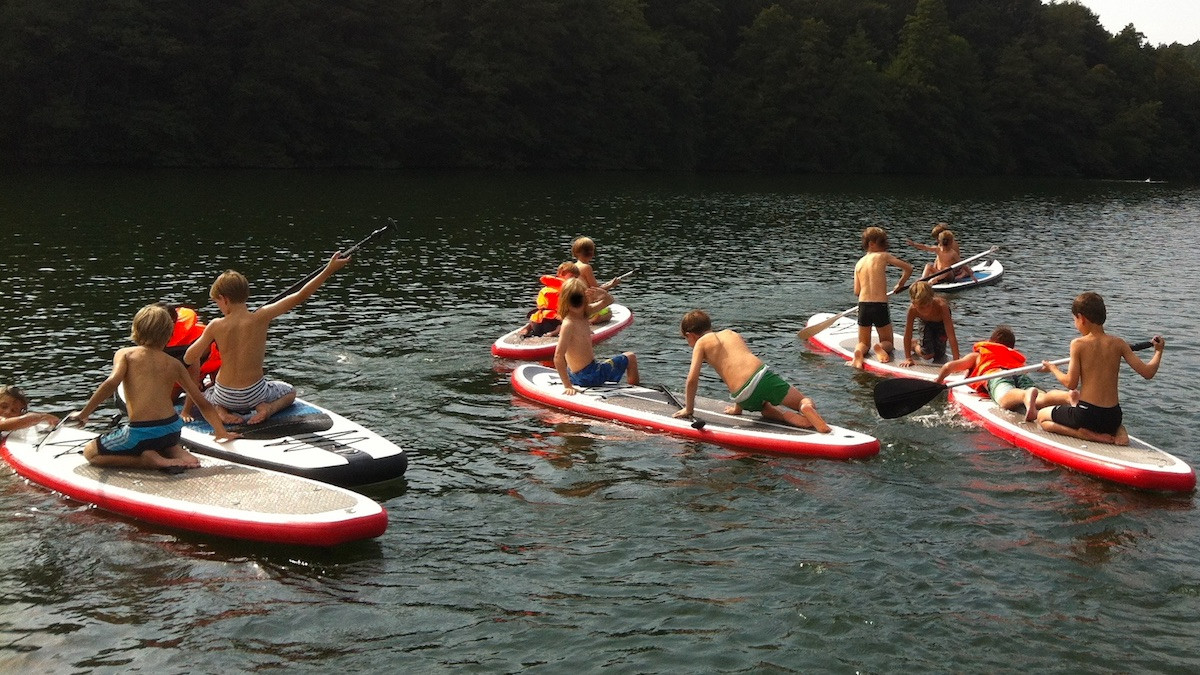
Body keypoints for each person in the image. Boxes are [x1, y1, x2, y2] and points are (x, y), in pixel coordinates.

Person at [184, 252, 350, 425]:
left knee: (206, 395)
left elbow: (189, 356)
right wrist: (328, 270)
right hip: (255, 393)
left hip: (226, 394)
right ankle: (268, 408)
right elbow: (301, 296)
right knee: (290, 392)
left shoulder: (216, 325)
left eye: (217, 302)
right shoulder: (262, 316)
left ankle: (220, 410)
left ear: (224, 299)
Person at [68, 303, 237, 470]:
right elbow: (201, 401)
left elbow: (110, 383)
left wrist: (84, 414)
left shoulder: (125, 355)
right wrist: (221, 432)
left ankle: (147, 461)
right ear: (169, 334)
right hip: (172, 431)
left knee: (91, 452)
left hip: (141, 432)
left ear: (136, 329)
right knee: (163, 441)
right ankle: (176, 451)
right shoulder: (174, 364)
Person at [1035, 292, 1165, 445]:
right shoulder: (1119, 343)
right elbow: (1148, 373)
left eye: (1074, 320)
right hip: (1113, 417)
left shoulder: (1078, 344)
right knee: (1110, 420)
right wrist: (1158, 351)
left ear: (1081, 318)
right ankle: (1120, 431)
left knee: (1042, 417)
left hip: (1087, 416)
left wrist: (1052, 368)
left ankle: (1084, 435)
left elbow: (1071, 383)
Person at [674, 310, 830, 432]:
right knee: (802, 400)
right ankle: (804, 408)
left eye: (686, 339)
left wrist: (689, 409)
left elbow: (693, 379)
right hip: (762, 378)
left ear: (690, 335)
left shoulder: (701, 343)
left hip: (742, 396)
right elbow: (742, 364)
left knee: (765, 409)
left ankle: (784, 416)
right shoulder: (731, 333)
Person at [936, 325, 1075, 422]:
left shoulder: (978, 355)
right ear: (1010, 347)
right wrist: (1049, 366)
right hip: (1018, 374)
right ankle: (1067, 397)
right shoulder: (1013, 356)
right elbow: (1040, 369)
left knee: (1004, 398)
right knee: (1042, 397)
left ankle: (1025, 395)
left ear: (991, 341)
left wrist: (938, 382)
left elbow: (949, 367)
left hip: (996, 375)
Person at [553, 278, 639, 395]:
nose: (578, 302)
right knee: (631, 357)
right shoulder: (569, 323)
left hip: (578, 374)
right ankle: (635, 391)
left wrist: (602, 294)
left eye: (579, 299)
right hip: (588, 375)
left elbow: (609, 301)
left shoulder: (585, 313)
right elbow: (558, 356)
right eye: (575, 300)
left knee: (604, 364)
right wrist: (567, 385)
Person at [851, 226, 913, 368]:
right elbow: (908, 268)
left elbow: (857, 291)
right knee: (888, 342)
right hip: (880, 305)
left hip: (864, 305)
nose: (883, 247)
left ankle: (859, 352)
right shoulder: (883, 256)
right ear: (871, 243)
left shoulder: (859, 263)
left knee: (863, 342)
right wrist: (900, 284)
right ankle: (880, 347)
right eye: (882, 243)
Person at [898, 281, 960, 366]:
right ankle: (915, 345)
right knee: (928, 354)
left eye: (928, 305)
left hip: (940, 324)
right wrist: (908, 358)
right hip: (925, 323)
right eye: (921, 307)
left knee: (939, 355)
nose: (926, 310)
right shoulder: (912, 310)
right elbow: (908, 334)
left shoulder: (942, 307)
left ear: (932, 299)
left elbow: (951, 335)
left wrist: (956, 361)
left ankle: (925, 344)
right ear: (914, 304)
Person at [520, 261, 579, 338]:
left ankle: (528, 328)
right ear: (563, 273)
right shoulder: (567, 290)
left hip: (536, 325)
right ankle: (555, 332)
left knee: (537, 314)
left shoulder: (545, 289)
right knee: (568, 320)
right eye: (573, 277)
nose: (574, 280)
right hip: (552, 325)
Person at [571, 236, 621, 324]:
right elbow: (596, 291)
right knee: (609, 313)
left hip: (575, 306)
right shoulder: (586, 267)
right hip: (587, 307)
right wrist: (611, 285)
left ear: (575, 252)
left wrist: (607, 284)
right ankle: (593, 318)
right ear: (592, 253)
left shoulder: (572, 267)